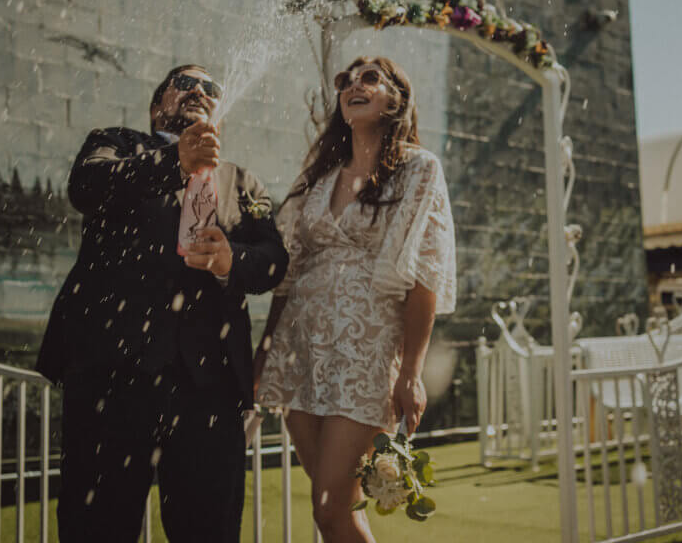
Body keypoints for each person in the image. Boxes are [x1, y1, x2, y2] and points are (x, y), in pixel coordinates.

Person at [35, 64, 289, 542]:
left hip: (208, 390)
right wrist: (175, 161)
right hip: (111, 377)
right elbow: (85, 187)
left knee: (208, 530)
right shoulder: (117, 144)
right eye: (185, 83)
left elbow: (274, 259)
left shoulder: (242, 182)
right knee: (96, 527)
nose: (199, 91)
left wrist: (231, 260)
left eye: (210, 89)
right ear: (157, 107)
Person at [254, 56, 457, 542]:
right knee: (333, 507)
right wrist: (265, 351)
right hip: (300, 348)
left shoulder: (418, 170)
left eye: (371, 78)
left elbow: (425, 275)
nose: (354, 86)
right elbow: (288, 273)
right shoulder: (318, 179)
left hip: (365, 350)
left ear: (397, 99)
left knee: (330, 508)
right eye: (347, 80)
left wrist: (410, 372)